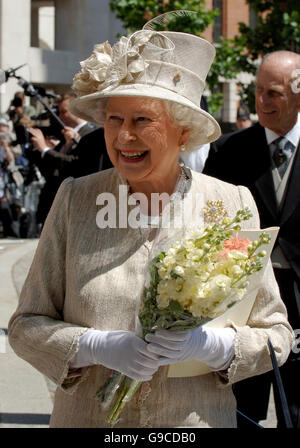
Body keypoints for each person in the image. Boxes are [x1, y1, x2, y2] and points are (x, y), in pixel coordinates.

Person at [8, 21, 293, 428]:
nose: (124, 136)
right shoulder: (76, 199)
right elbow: (24, 326)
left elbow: (275, 335)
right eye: (113, 119)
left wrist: (212, 347)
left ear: (184, 133)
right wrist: (92, 346)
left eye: (142, 119)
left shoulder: (230, 204)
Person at [203, 50, 300, 428]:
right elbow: (208, 224)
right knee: (245, 405)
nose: (261, 101)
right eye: (258, 90)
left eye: (273, 92)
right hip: (245, 298)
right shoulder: (229, 151)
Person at [28, 93, 97, 225]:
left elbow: (76, 163)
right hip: (58, 202)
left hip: (78, 202)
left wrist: (45, 150)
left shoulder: (90, 135)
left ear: (78, 111)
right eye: (59, 112)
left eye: (64, 112)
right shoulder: (64, 136)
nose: (60, 117)